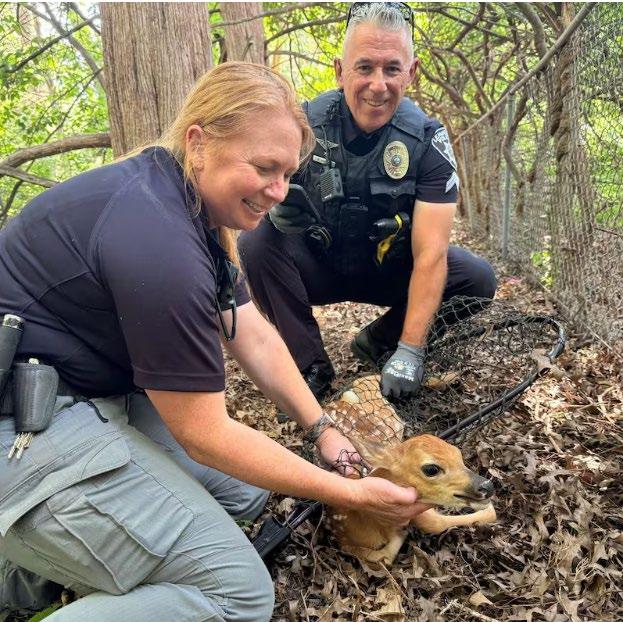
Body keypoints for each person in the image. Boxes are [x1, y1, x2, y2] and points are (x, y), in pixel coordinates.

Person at [0, 62, 431, 622]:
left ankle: (33, 568)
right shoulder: (157, 241)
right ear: (199, 142)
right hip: (24, 429)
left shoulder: (185, 202)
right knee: (238, 594)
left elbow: (251, 331)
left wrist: (322, 428)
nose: (279, 192)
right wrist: (349, 494)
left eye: (288, 174)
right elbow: (204, 435)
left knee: (243, 493)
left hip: (82, 395)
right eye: (264, 168)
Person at [239, 2, 497, 401]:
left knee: (476, 279)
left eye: (392, 68)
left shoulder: (429, 141)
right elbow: (250, 192)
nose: (378, 85)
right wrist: (271, 208)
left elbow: (431, 254)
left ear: (412, 72)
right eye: (364, 67)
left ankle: (381, 342)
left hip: (388, 268)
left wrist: (412, 350)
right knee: (255, 241)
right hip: (319, 264)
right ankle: (309, 365)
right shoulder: (301, 124)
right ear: (340, 71)